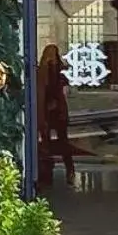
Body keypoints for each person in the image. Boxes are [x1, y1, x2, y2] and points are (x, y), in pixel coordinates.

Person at [38, 44, 75, 186]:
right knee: (48, 142)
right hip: (47, 111)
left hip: (57, 112)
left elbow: (60, 89)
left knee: (62, 142)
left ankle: (68, 170)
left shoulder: (57, 72)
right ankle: (48, 172)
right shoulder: (44, 71)